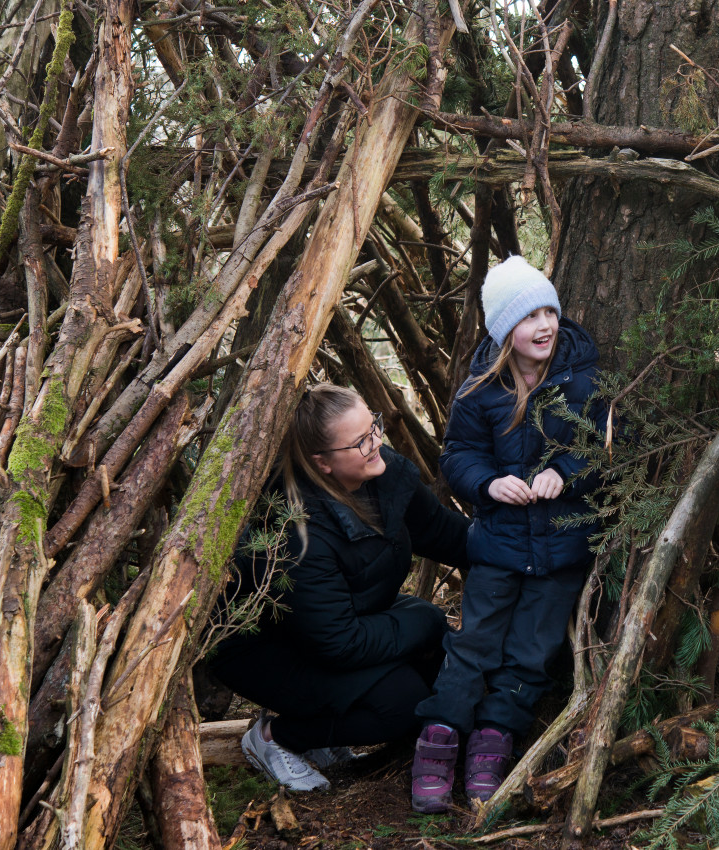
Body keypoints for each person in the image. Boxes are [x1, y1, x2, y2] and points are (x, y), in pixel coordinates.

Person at [410, 255, 604, 813]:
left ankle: (494, 744)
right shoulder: (480, 391)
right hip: (497, 548)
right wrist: (490, 485)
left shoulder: (583, 380)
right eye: (528, 317)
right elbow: (458, 456)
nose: (544, 325)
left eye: (550, 311)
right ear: (503, 331)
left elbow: (604, 447)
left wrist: (563, 474)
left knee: (530, 653)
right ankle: (440, 740)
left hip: (562, 550)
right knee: (473, 645)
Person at [210, 383, 469, 791]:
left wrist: (521, 552)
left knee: (438, 665)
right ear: (323, 462)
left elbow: (443, 533)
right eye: (362, 440)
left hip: (334, 620)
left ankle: (327, 734)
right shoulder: (298, 533)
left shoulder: (379, 472)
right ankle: (275, 739)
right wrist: (427, 619)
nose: (376, 443)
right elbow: (337, 643)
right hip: (266, 648)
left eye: (375, 428)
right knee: (401, 704)